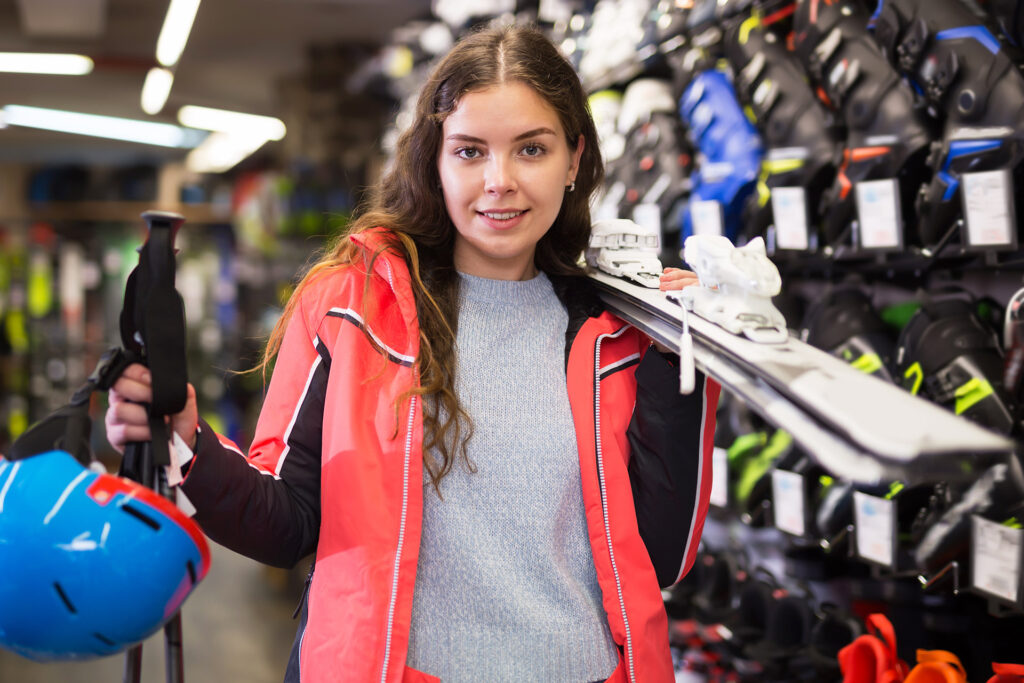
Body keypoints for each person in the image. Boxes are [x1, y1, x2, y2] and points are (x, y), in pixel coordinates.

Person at [105, 23, 719, 683]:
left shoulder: (618, 330)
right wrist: (187, 442)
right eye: (470, 151)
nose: (500, 181)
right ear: (434, 159)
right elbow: (286, 522)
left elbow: (659, 555)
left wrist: (676, 355)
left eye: (531, 150)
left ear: (573, 159)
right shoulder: (351, 305)